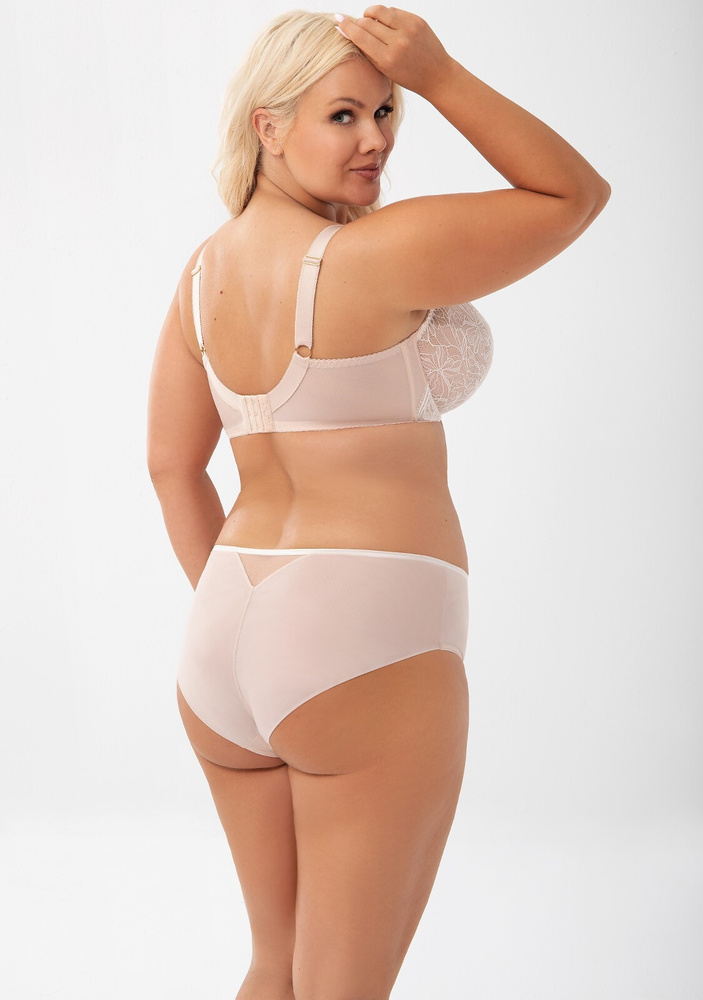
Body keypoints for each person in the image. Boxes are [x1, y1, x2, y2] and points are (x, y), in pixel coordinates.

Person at [147, 6, 610, 998]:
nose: (377, 139)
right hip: (362, 639)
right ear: (268, 126)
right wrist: (439, 73)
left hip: (225, 639)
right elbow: (573, 193)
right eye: (343, 115)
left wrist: (255, 626)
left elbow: (170, 467)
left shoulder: (201, 274)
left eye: (388, 110)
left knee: (276, 970)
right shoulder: (376, 255)